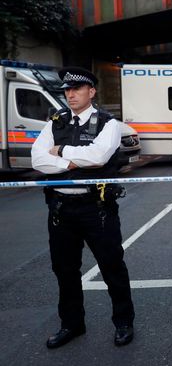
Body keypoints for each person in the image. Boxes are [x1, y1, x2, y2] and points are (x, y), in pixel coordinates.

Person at [31, 67, 135, 348]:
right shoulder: (55, 122)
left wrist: (62, 152)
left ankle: (124, 322)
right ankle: (72, 324)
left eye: (76, 89)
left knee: (112, 266)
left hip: (96, 207)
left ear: (92, 91)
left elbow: (99, 156)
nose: (70, 94)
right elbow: (37, 159)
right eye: (67, 90)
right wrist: (77, 160)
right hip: (61, 208)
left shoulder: (108, 123)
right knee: (64, 269)